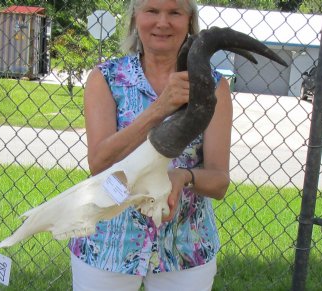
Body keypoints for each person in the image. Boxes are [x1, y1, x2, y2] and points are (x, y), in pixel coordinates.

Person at [69, 0, 232, 290]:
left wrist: (183, 177)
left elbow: (219, 181)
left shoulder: (212, 85)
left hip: (185, 246)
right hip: (108, 242)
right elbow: (99, 163)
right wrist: (160, 108)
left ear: (189, 21)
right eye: (152, 11)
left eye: (174, 13)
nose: (163, 22)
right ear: (135, 18)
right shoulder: (106, 79)